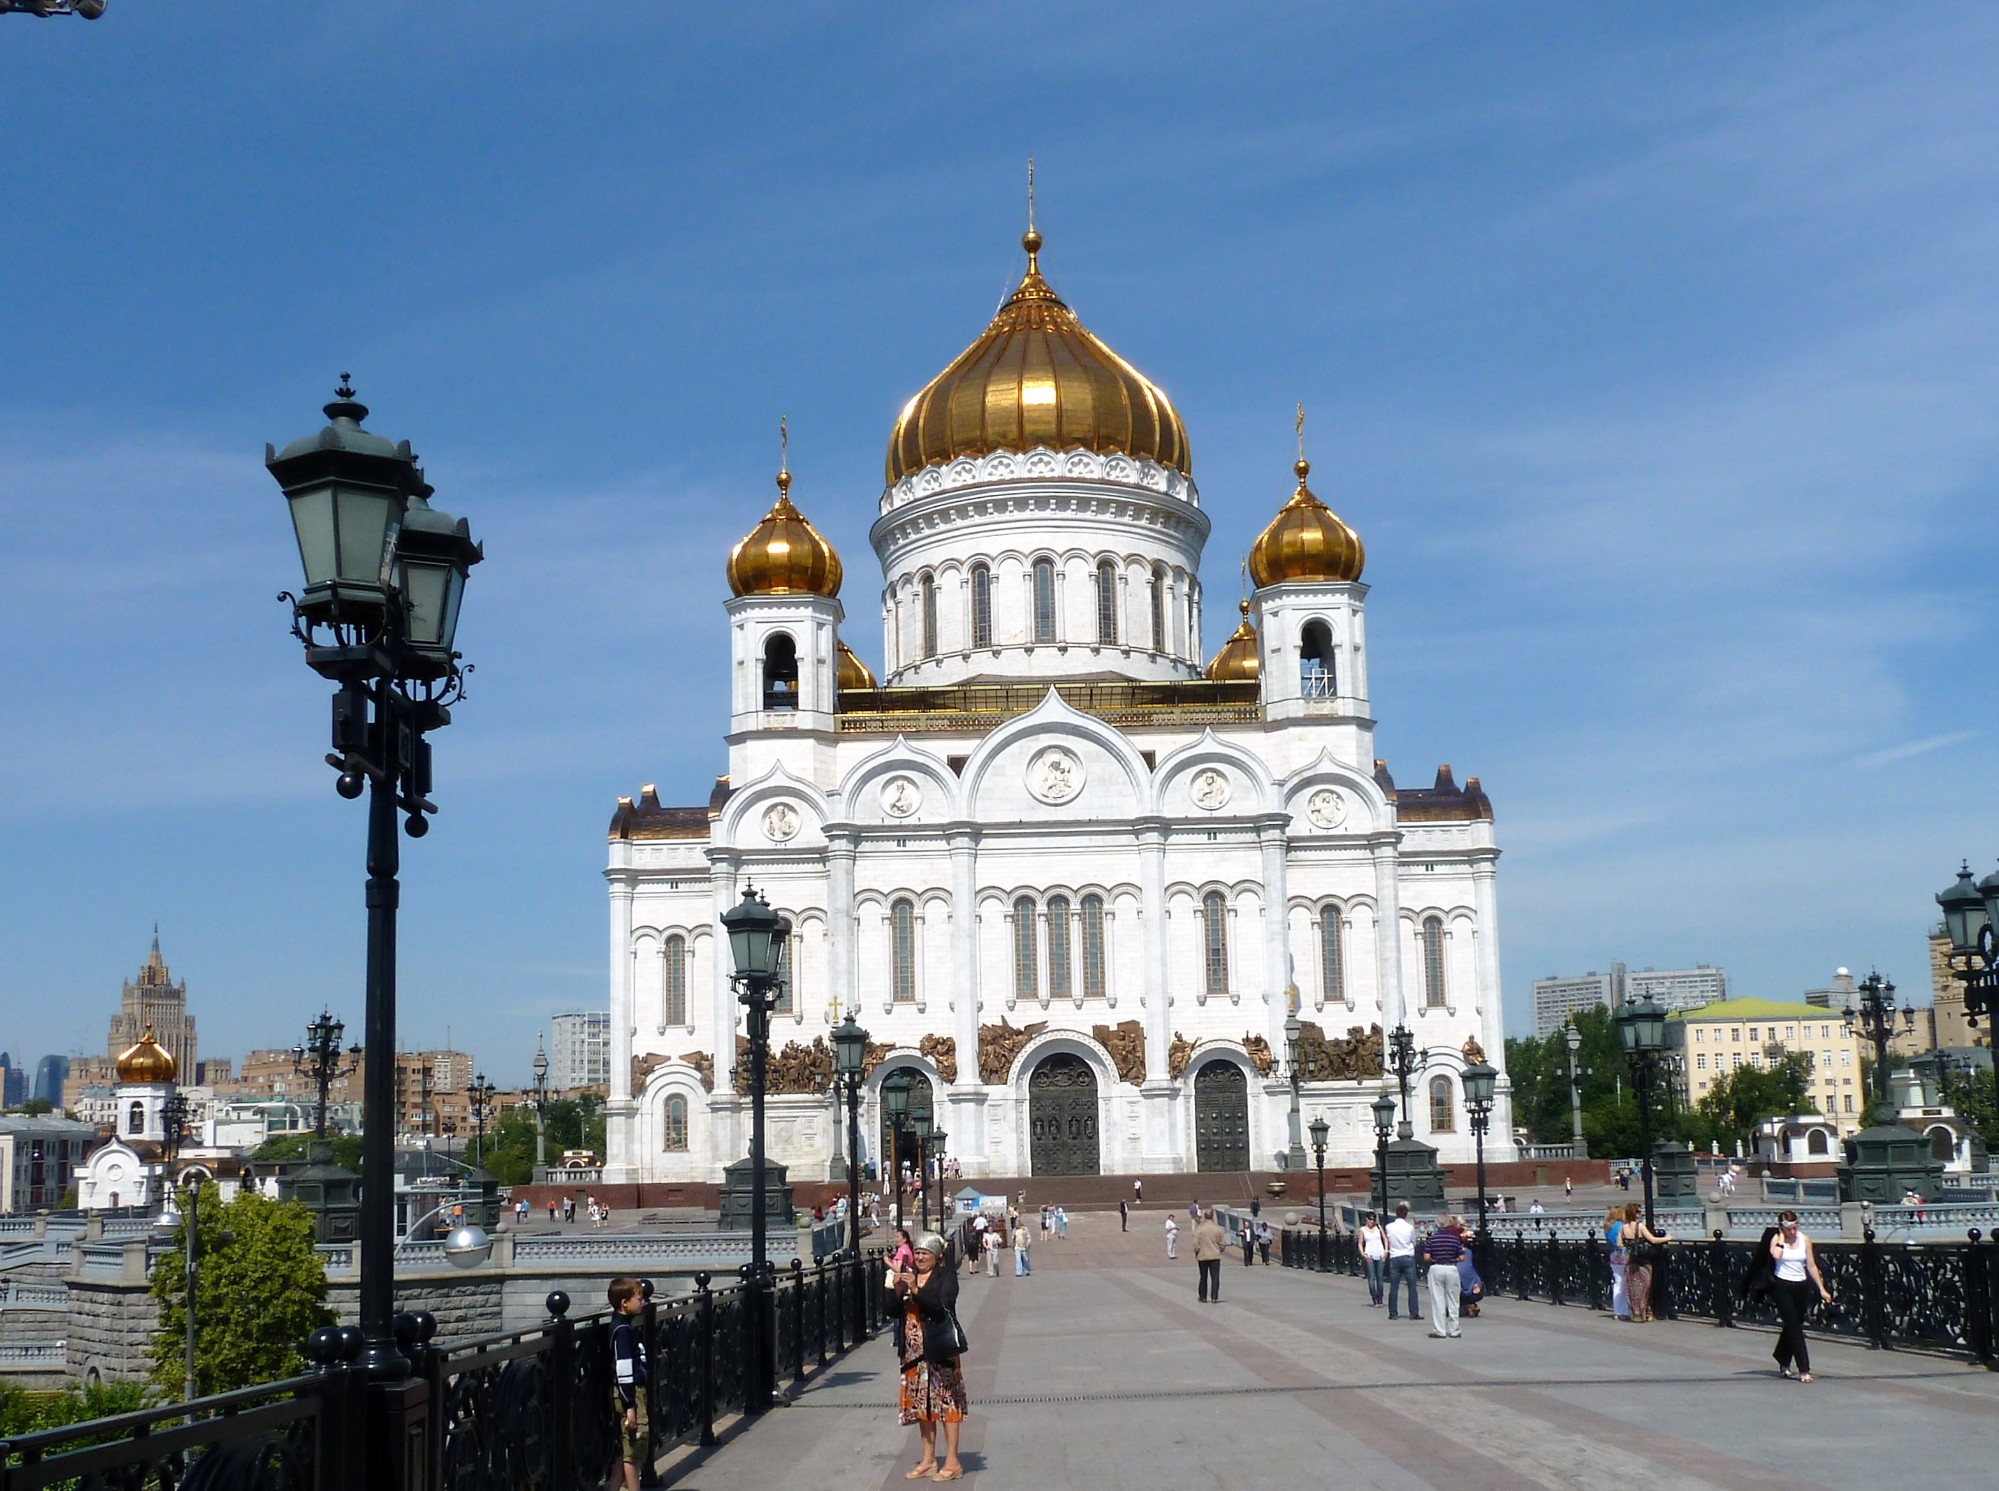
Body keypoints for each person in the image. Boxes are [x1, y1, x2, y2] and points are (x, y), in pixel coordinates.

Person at [894, 1232, 968, 1482]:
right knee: (921, 1406)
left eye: (925, 1253)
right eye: (918, 1253)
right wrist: (896, 1288)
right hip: (913, 1353)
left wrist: (916, 1288)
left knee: (947, 1403)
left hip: (939, 1349)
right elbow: (892, 1311)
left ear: (937, 1256)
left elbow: (940, 1305)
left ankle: (952, 1461)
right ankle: (928, 1460)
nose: (920, 1257)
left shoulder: (946, 1277)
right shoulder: (908, 1275)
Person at [1766, 1210, 1832, 1381]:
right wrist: (1781, 1238)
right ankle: (1804, 1369)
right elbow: (1776, 1255)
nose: (1793, 1232)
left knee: (1794, 1323)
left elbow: (1811, 1265)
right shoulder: (1776, 1240)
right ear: (1781, 1228)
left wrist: (1821, 1289)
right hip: (1781, 1285)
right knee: (1794, 1326)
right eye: (1789, 1229)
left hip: (1801, 1285)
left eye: (1795, 1228)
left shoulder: (1804, 1240)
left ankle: (1782, 1357)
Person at [608, 1277, 649, 1491]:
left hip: (630, 1393)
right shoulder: (622, 1331)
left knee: (626, 1449)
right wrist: (630, 1405)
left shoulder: (623, 1326)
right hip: (630, 1394)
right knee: (634, 1449)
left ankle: (613, 1487)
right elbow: (623, 1370)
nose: (642, 1302)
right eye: (639, 1298)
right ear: (625, 1303)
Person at [1623, 1204, 1675, 1323]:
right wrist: (1667, 1238)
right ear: (1634, 1213)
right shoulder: (1639, 1226)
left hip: (1630, 1261)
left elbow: (1619, 1243)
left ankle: (1636, 1314)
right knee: (1645, 1288)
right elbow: (1653, 1240)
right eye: (1638, 1212)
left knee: (1634, 1289)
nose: (1640, 1214)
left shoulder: (1623, 1228)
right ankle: (1647, 1314)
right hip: (1643, 1261)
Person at [1422, 1215, 1466, 1338]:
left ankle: (1440, 1330)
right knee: (1453, 1300)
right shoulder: (1454, 1239)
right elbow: (1462, 1257)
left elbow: (1426, 1257)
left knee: (1438, 1300)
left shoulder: (1432, 1239)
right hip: (1451, 1268)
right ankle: (1454, 1329)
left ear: (1436, 1225)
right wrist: (1452, 1257)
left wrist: (1435, 1257)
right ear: (1448, 1225)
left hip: (1436, 1268)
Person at [1385, 1203, 1420, 1320]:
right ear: (1406, 1215)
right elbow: (1414, 1242)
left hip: (1395, 1257)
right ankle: (1414, 1312)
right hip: (1407, 1257)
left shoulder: (1389, 1227)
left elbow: (1389, 1240)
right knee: (1412, 1286)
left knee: (1394, 1286)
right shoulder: (1409, 1228)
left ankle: (1393, 1312)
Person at [1193, 1208, 1226, 1302]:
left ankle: (1203, 1297)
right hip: (1215, 1256)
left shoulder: (1199, 1229)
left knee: (1203, 1277)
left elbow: (1196, 1244)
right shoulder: (1218, 1229)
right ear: (1212, 1216)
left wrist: (1196, 1252)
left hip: (1202, 1256)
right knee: (1215, 1277)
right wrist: (1219, 1250)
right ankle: (1214, 1297)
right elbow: (1223, 1243)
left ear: (1204, 1216)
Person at [1605, 1205, 1630, 1320]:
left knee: (1618, 1282)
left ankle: (1617, 1310)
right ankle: (1624, 1311)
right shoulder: (1621, 1226)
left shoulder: (1608, 1227)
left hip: (1613, 1256)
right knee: (1625, 1283)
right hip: (1623, 1254)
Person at [1358, 1211, 1388, 1307]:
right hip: (1369, 1255)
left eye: (1374, 1219)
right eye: (1370, 1219)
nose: (1372, 1221)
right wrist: (1363, 1254)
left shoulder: (1378, 1228)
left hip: (1380, 1254)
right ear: (1366, 1219)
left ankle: (1380, 1298)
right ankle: (1374, 1298)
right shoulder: (1363, 1230)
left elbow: (1385, 1239)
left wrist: (1386, 1251)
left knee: (1380, 1277)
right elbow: (1360, 1243)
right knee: (1371, 1277)